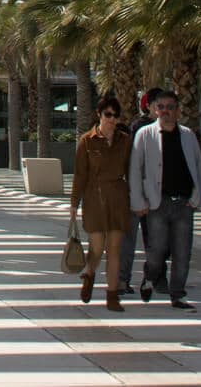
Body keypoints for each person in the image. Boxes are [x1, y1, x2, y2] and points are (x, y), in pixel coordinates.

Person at [129, 89, 201, 310]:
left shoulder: (188, 135)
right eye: (160, 107)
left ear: (178, 111)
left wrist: (197, 196)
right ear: (153, 109)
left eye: (170, 107)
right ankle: (150, 276)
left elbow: (198, 166)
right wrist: (138, 202)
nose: (165, 111)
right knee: (157, 251)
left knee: (183, 252)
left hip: (183, 203)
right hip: (157, 203)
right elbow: (135, 169)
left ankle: (178, 294)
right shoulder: (145, 134)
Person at [70, 95, 133, 311]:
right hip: (94, 198)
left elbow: (130, 170)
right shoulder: (87, 141)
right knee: (97, 247)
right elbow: (80, 175)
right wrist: (73, 203)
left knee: (114, 249)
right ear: (99, 115)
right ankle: (89, 273)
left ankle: (112, 296)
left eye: (116, 116)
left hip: (117, 197)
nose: (112, 119)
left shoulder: (124, 141)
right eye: (108, 115)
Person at [118, 87, 162, 292]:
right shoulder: (139, 128)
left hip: (156, 193)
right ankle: (123, 279)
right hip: (136, 192)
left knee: (155, 239)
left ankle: (153, 278)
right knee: (131, 238)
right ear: (150, 106)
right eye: (159, 106)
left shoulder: (169, 129)